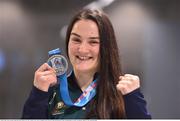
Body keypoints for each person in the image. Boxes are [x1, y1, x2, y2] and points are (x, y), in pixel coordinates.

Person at [22, 9, 151, 119]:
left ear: (106, 47)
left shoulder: (123, 94)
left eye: (93, 42)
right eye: (76, 40)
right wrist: (38, 95)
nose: (82, 49)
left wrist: (134, 101)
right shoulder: (51, 92)